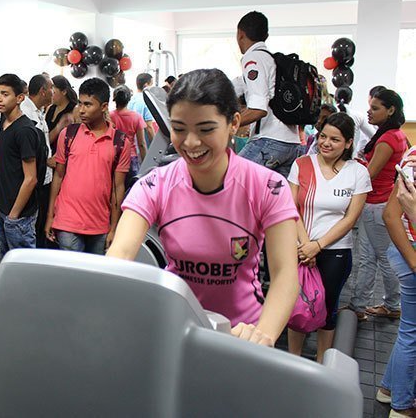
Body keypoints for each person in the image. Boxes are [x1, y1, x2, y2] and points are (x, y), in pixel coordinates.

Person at [106, 68, 300, 346]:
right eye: (179, 129)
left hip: (240, 335)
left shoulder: (268, 186)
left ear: (234, 123)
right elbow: (121, 253)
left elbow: (285, 274)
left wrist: (263, 335)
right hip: (174, 330)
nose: (191, 143)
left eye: (206, 129)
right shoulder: (156, 184)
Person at [286, 112, 371, 362]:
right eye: (323, 136)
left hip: (336, 252)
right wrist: (306, 247)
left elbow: (350, 219)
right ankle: (293, 359)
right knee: (296, 305)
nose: (326, 143)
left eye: (335, 139)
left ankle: (323, 363)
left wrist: (319, 246)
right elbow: (291, 209)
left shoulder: (358, 173)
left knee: (328, 308)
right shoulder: (302, 164)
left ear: (347, 143)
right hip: (299, 249)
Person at [46, 77, 131, 254]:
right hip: (67, 221)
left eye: (88, 104)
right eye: (80, 103)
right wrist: (49, 217)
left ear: (104, 106)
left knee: (95, 279)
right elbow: (58, 177)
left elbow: (118, 187)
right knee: (70, 279)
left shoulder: (120, 141)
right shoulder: (68, 134)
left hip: (100, 224)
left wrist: (114, 227)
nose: (81, 110)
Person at [348, 89, 407, 321]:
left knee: (381, 258)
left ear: (390, 110)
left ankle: (391, 305)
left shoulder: (387, 139)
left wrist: (353, 168)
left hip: (376, 205)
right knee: (370, 258)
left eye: (375, 108)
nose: (369, 112)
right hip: (380, 203)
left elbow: (370, 175)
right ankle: (360, 306)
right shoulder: (397, 135)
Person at [235, 11, 301, 178]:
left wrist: (223, 126)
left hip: (270, 140)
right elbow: (236, 86)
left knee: (232, 181)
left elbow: (258, 109)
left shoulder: (253, 59)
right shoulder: (270, 60)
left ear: (240, 34)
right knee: (271, 200)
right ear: (266, 35)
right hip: (291, 143)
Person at [379, 148, 416, 418]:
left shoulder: (413, 156)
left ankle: (390, 390)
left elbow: (390, 216)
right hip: (411, 252)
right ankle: (402, 407)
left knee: (409, 330)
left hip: (404, 250)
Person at [0, 73, 38, 254]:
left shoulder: (24, 130)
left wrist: (13, 215)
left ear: (20, 98)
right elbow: (6, 168)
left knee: (23, 272)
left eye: (5, 94)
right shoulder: (3, 122)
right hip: (5, 208)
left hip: (19, 216)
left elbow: (31, 178)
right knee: (7, 264)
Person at [20, 74, 54, 248]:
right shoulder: (25, 113)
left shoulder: (39, 111)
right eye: (51, 88)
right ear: (43, 91)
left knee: (41, 227)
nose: (53, 92)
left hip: (45, 179)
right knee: (33, 229)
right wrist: (47, 161)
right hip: (35, 180)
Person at [110, 85, 147, 179]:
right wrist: (146, 164)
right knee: (131, 189)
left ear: (114, 99)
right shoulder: (136, 117)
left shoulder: (109, 117)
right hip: (131, 158)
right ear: (129, 99)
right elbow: (141, 144)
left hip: (113, 157)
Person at [46, 75, 78, 153]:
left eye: (53, 92)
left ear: (64, 92)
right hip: (48, 155)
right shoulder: (50, 108)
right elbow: (46, 139)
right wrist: (59, 127)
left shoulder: (75, 110)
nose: (51, 95)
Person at [128, 72, 157, 144]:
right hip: (143, 143)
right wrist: (155, 145)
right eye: (151, 84)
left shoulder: (130, 100)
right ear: (146, 85)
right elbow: (149, 127)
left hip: (131, 143)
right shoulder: (147, 101)